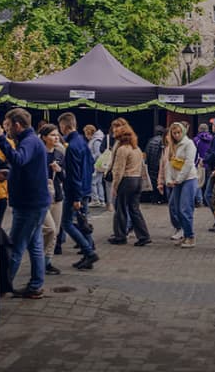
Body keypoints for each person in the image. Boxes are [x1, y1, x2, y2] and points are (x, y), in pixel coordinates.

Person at [0, 108, 51, 299]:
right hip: (34, 202)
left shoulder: (30, 141)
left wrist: (1, 138)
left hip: (29, 205)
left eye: (7, 125)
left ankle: (1, 286)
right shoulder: (30, 141)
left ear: (17, 125)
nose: (6, 129)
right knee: (34, 245)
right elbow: (26, 167)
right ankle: (35, 286)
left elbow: (19, 160)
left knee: (15, 246)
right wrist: (9, 175)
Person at [57, 113, 98, 264]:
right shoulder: (82, 142)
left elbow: (74, 174)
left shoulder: (72, 147)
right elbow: (91, 164)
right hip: (85, 188)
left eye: (60, 127)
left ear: (65, 126)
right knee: (82, 220)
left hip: (75, 190)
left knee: (67, 223)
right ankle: (89, 251)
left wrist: (76, 197)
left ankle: (89, 251)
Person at [108, 124, 151, 250]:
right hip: (137, 180)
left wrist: (115, 186)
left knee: (120, 209)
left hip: (126, 180)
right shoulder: (136, 148)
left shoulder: (122, 149)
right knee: (134, 209)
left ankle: (120, 236)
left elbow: (118, 170)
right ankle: (144, 236)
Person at [161, 122, 198, 247]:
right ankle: (184, 234)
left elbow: (188, 163)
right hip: (176, 181)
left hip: (189, 179)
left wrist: (179, 179)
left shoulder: (189, 144)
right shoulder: (171, 146)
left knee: (185, 208)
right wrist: (168, 180)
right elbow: (168, 165)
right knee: (176, 208)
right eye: (174, 133)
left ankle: (190, 236)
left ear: (183, 132)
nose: (176, 135)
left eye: (178, 132)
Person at [38, 124, 66, 275]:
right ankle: (39, 260)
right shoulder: (39, 153)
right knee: (49, 229)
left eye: (57, 135)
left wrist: (59, 170)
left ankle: (47, 262)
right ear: (43, 137)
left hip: (57, 195)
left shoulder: (60, 153)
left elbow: (64, 177)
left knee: (54, 232)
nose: (56, 138)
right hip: (42, 197)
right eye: (52, 135)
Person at [144, 125, 166, 205]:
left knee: (153, 182)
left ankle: (154, 198)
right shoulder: (163, 141)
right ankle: (161, 198)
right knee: (160, 181)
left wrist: (146, 163)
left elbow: (146, 153)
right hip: (159, 164)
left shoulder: (150, 141)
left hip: (151, 164)